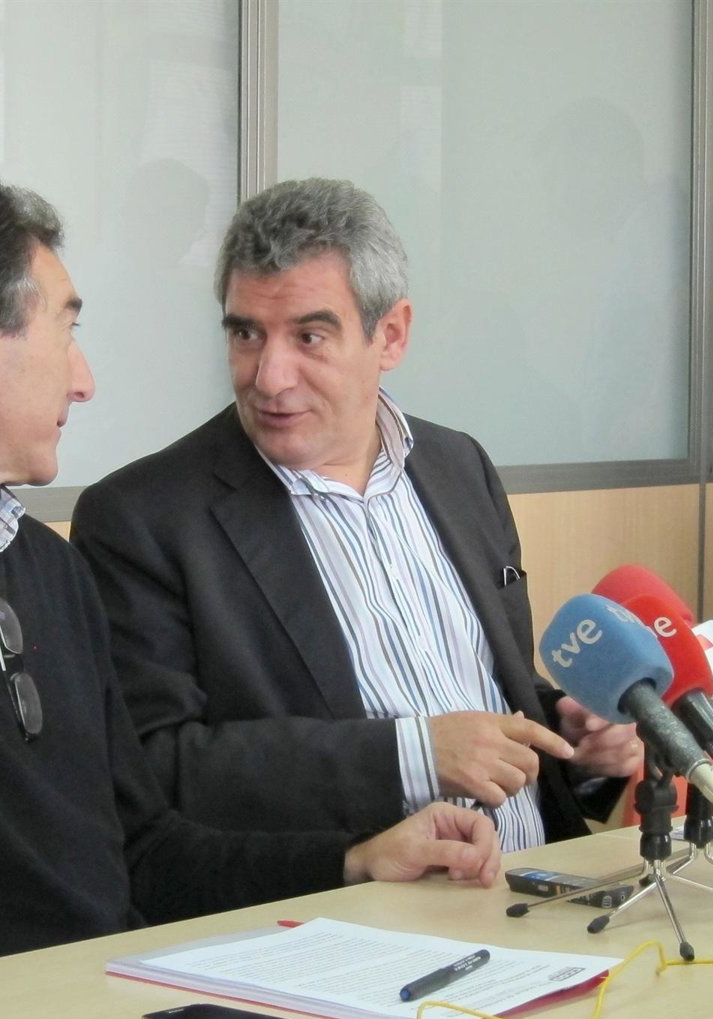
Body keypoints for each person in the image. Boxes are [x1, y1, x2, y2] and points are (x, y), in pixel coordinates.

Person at [0, 169, 501, 1003]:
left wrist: (352, 860)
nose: (83, 379)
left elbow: (143, 851)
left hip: (92, 1014)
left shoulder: (45, 566)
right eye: (65, 331)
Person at [70, 177, 640, 850]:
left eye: (309, 336)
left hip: (538, 883)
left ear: (390, 335)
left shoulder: (461, 469)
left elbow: (486, 689)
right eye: (247, 334)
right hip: (349, 903)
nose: (269, 375)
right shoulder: (143, 519)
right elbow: (155, 765)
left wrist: (572, 738)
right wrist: (411, 756)